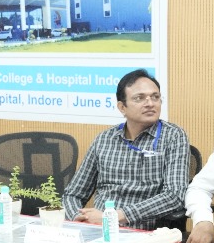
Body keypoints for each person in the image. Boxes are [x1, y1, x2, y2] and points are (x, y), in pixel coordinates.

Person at [62, 69, 190, 230]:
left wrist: (115, 217)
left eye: (155, 97)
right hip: (98, 230)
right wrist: (79, 218)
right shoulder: (105, 139)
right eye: (140, 98)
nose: (150, 103)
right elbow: (73, 194)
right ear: (122, 107)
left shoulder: (173, 136)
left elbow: (174, 196)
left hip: (143, 232)